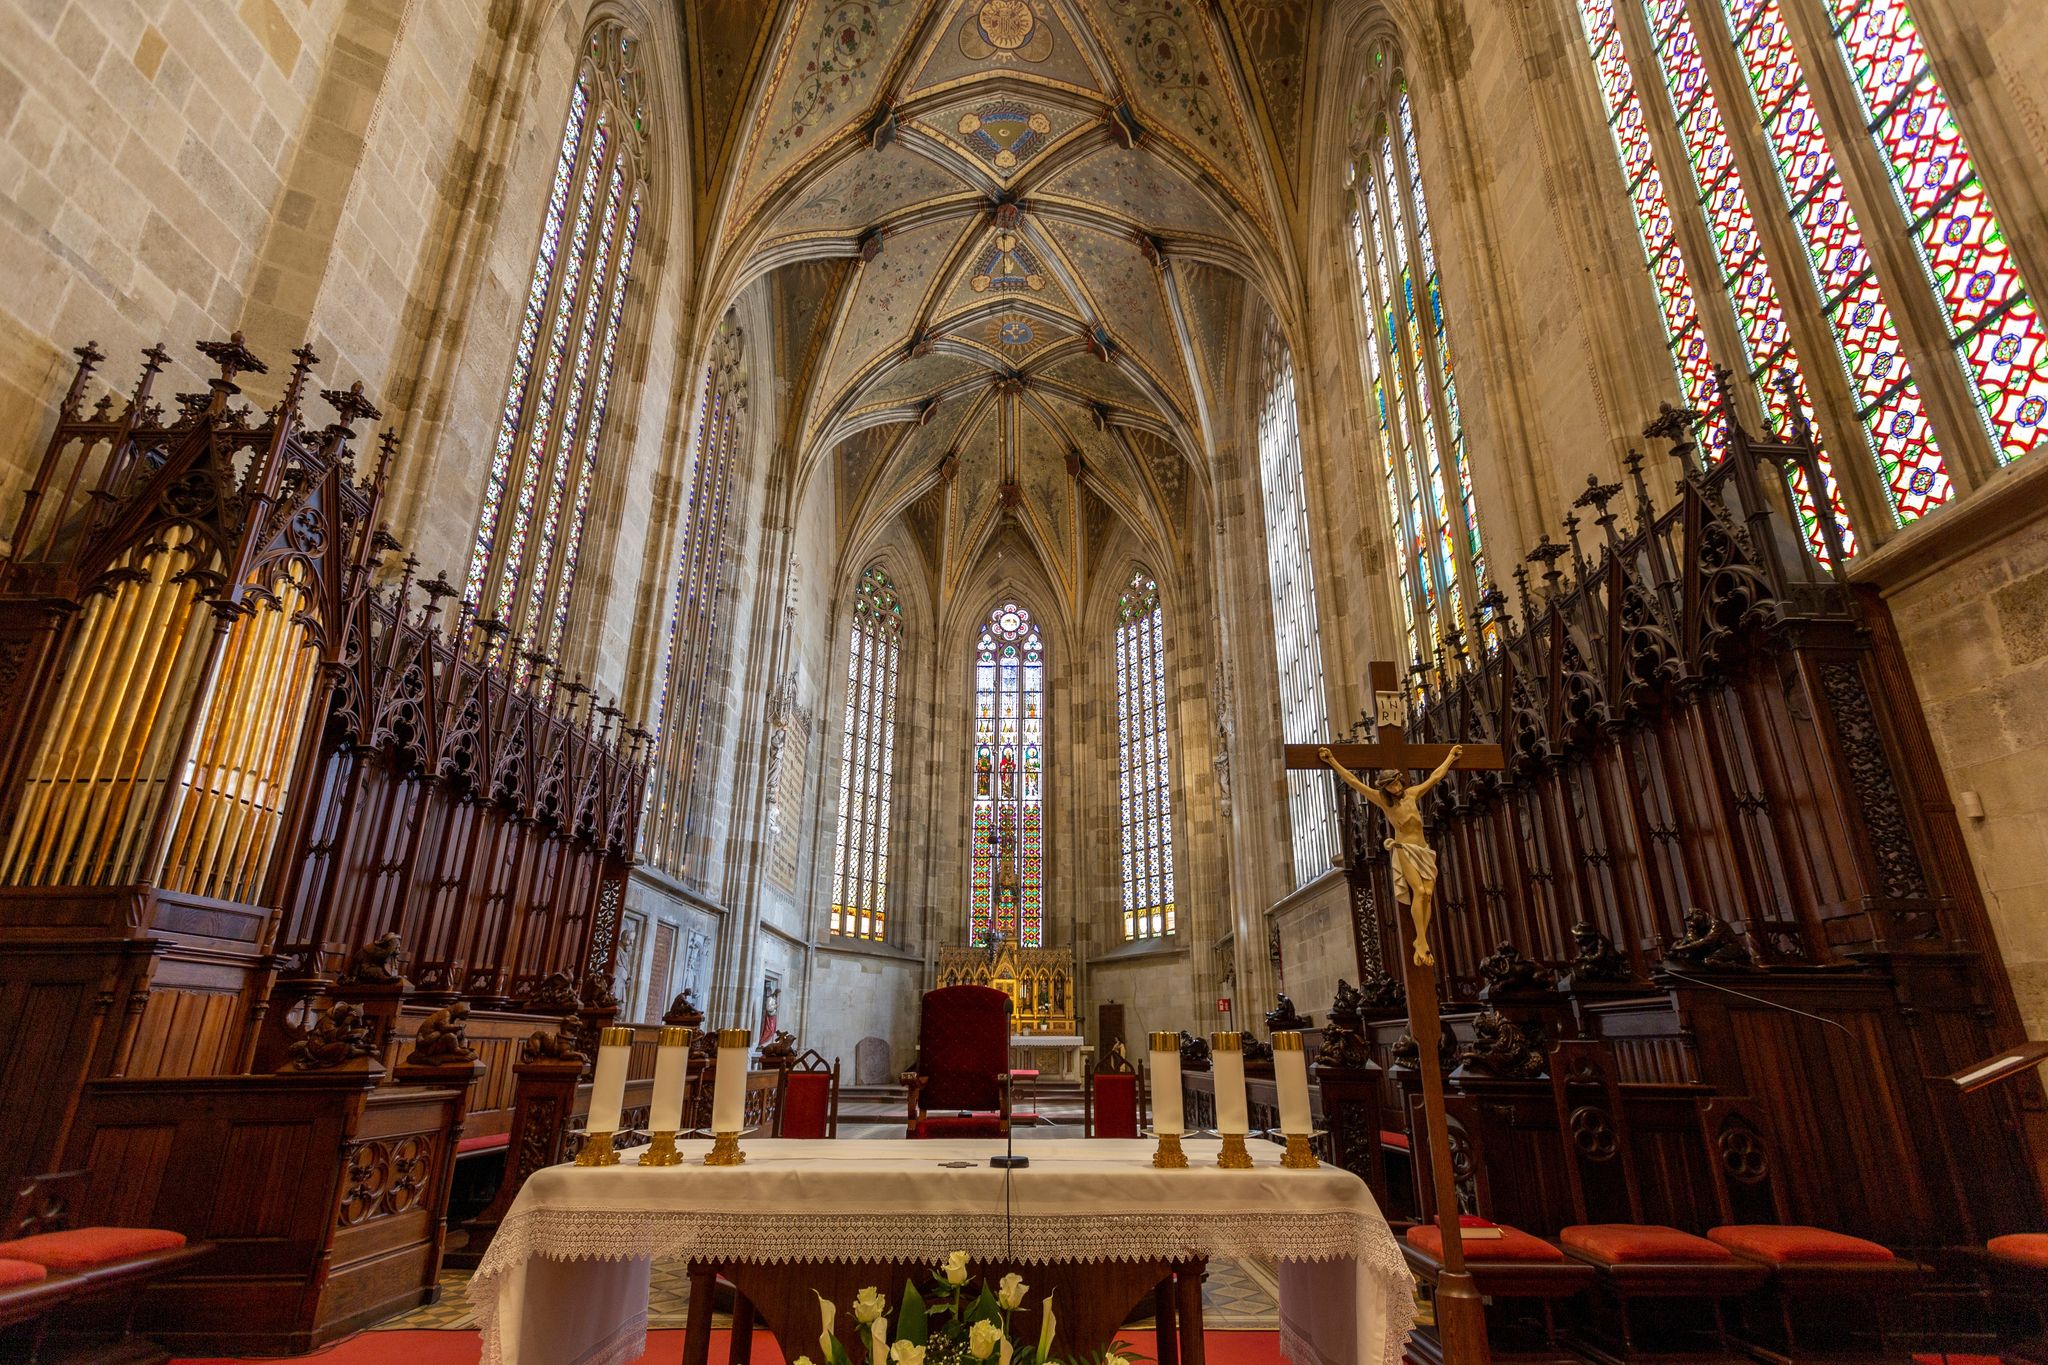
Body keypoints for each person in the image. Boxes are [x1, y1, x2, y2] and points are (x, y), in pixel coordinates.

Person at [1319, 743, 1463, 966]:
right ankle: (1421, 941)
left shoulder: (1412, 794)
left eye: (1396, 783)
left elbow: (1435, 777)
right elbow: (1354, 782)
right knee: (1420, 890)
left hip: (1423, 850)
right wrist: (1332, 761)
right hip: (1404, 849)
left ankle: (1422, 941)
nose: (1395, 788)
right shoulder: (1382, 801)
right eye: (1390, 786)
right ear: (1385, 788)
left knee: (1427, 895)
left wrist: (1451, 758)